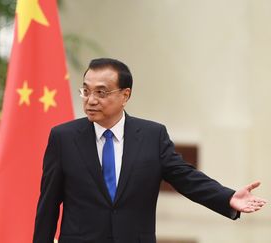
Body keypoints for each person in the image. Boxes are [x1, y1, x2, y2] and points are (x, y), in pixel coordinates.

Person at [33, 58, 267, 243]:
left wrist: (227, 197)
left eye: (101, 92)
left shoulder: (151, 136)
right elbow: (49, 203)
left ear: (125, 95)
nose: (91, 100)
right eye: (86, 91)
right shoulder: (63, 138)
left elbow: (186, 178)